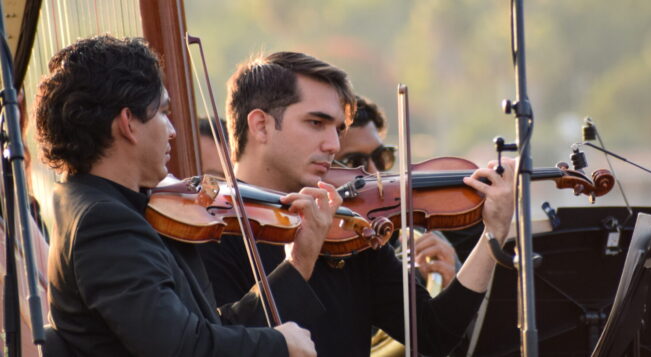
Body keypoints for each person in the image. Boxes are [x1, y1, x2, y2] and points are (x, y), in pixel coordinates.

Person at [199, 51, 516, 356]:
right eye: (315, 123)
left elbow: (433, 334)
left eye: (337, 129)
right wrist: (299, 263)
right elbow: (224, 343)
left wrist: (493, 235)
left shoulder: (350, 226)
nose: (333, 145)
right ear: (261, 125)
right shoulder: (207, 228)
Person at [35, 35, 329, 357]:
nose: (172, 130)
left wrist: (297, 263)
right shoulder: (105, 222)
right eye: (162, 112)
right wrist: (279, 344)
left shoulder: (103, 205)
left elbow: (205, 328)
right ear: (128, 124)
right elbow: (180, 347)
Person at [334, 95, 460, 289]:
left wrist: (452, 282)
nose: (375, 172)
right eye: (354, 162)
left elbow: (454, 318)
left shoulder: (412, 227)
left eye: (381, 157)